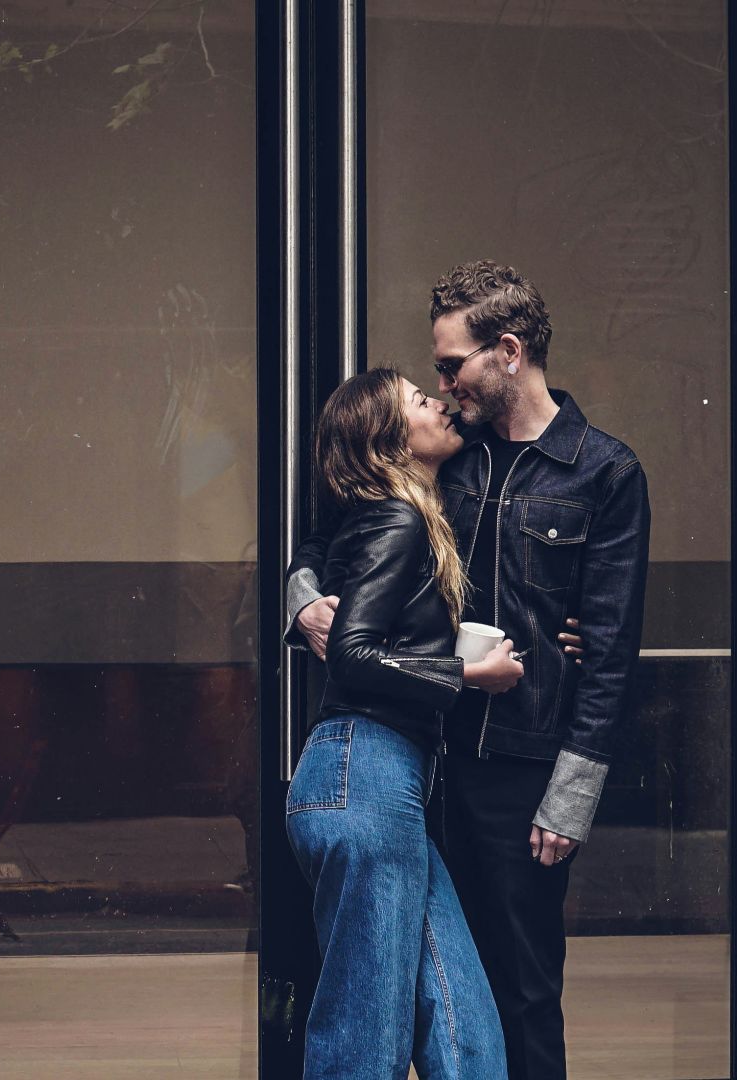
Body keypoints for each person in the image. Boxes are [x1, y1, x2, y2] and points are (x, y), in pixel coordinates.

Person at [289, 262, 651, 1080]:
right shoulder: (451, 456)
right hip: (413, 759)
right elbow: (332, 539)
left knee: (519, 992)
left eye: (451, 366)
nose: (443, 385)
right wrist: (303, 603)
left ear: (509, 353)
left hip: (519, 773)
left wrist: (572, 797)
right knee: (434, 996)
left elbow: (613, 650)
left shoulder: (605, 473)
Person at [287, 367, 524, 1079]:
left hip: (382, 785)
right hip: (363, 773)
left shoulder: (400, 514)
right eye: (422, 400)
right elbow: (354, 658)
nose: (442, 402)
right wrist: (471, 676)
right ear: (393, 443)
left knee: (467, 1032)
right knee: (364, 1044)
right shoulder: (396, 518)